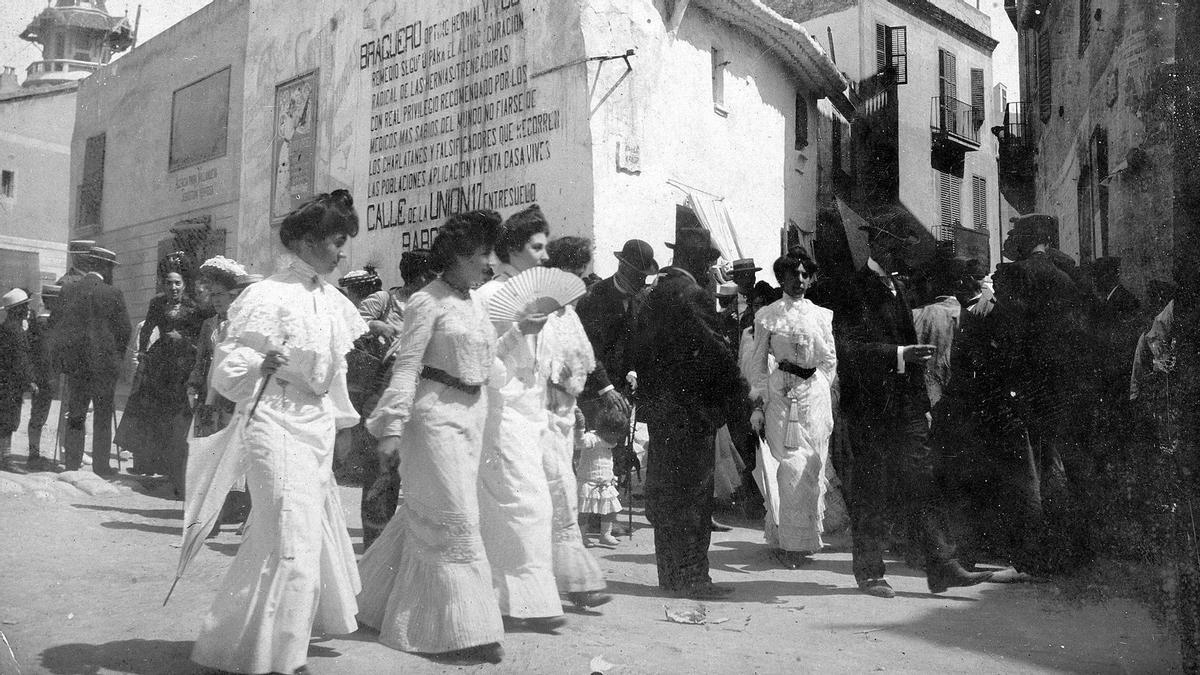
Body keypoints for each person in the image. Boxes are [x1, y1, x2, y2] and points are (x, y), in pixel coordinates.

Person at [190, 190, 367, 675]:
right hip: (272, 419)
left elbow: (336, 372)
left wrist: (344, 422)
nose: (342, 252)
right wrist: (262, 362)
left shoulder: (332, 301)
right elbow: (227, 370)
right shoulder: (265, 295)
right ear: (308, 242)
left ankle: (233, 647)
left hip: (315, 426)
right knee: (289, 534)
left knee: (288, 537)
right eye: (336, 241)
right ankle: (281, 660)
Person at [357, 210, 522, 664]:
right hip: (432, 419)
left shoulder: (474, 303)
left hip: (472, 417)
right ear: (459, 256)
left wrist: (520, 332)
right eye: (482, 255)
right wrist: (390, 427)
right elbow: (407, 366)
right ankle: (465, 631)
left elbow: (485, 364)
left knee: (426, 516)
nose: (489, 265)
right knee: (458, 519)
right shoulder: (424, 302)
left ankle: (369, 601)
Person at [834, 212, 992, 598]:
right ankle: (870, 573)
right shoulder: (854, 289)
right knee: (871, 488)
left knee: (924, 481)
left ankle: (942, 566)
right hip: (871, 411)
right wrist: (900, 354)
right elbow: (848, 350)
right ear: (878, 245)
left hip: (905, 410)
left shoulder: (898, 288)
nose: (904, 253)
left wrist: (921, 403)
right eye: (898, 246)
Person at [630, 227, 746, 599]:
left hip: (662, 411)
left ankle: (671, 576)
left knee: (667, 496)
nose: (713, 268)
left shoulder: (651, 293)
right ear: (699, 260)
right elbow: (716, 351)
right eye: (710, 261)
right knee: (694, 497)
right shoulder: (691, 294)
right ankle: (694, 578)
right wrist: (740, 392)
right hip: (692, 411)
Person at [473, 204, 565, 630]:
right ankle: (522, 602)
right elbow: (481, 364)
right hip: (501, 410)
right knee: (523, 503)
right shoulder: (492, 296)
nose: (546, 257)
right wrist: (518, 334)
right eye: (537, 247)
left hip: (532, 411)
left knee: (526, 503)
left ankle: (510, 597)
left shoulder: (533, 296)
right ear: (512, 249)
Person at [745, 252, 837, 569]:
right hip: (780, 397)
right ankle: (789, 544)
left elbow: (829, 360)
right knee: (788, 467)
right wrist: (759, 401)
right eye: (792, 274)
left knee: (812, 467)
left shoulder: (822, 316)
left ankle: (804, 539)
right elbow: (757, 364)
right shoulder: (768, 315)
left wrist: (818, 386)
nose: (798, 280)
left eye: (803, 274)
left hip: (812, 398)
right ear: (781, 278)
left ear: (810, 279)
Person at [541, 235, 610, 608]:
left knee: (562, 492)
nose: (580, 286)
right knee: (556, 493)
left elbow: (587, 359)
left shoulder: (570, 315)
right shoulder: (541, 312)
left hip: (564, 417)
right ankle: (574, 582)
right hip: (537, 416)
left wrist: (594, 391)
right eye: (573, 276)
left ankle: (568, 579)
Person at [356, 249, 436, 549]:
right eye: (428, 277)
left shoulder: (431, 304)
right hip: (382, 392)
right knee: (382, 472)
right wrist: (379, 325)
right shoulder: (384, 300)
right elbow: (350, 323)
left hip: (420, 392)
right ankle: (375, 546)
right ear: (417, 276)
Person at [119, 253, 210, 486]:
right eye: (169, 283)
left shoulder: (193, 307)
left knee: (176, 416)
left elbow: (201, 335)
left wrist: (184, 338)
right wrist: (141, 350)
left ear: (184, 285)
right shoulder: (157, 303)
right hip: (160, 363)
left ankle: (174, 466)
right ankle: (149, 463)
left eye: (177, 283)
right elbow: (148, 327)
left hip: (182, 364)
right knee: (153, 411)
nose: (173, 287)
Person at [186, 256, 255, 535]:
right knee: (211, 456)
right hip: (211, 398)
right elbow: (202, 359)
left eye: (220, 295)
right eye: (212, 295)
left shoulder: (245, 325)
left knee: (241, 456)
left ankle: (250, 516)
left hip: (237, 396)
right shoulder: (209, 325)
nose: (215, 300)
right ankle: (210, 519)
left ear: (233, 296)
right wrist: (192, 385)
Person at [48, 246, 131, 475]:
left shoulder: (68, 291)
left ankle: (72, 464)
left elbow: (56, 327)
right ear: (104, 267)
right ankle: (101, 466)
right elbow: (125, 330)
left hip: (77, 366)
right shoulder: (113, 294)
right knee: (103, 415)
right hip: (105, 367)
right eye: (111, 267)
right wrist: (116, 358)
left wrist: (64, 358)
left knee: (76, 414)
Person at [576, 239, 659, 420]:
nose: (641, 282)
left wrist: (633, 371)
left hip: (622, 397)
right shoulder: (592, 298)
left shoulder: (641, 300)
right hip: (594, 394)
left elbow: (639, 344)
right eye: (637, 275)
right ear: (622, 266)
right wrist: (605, 388)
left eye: (644, 277)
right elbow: (585, 349)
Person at [576, 404, 627, 547]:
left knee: (610, 510)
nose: (615, 437)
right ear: (604, 429)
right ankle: (581, 535)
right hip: (589, 482)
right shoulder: (592, 438)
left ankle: (605, 534)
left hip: (605, 483)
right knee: (584, 511)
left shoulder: (609, 442)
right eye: (613, 433)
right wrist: (580, 427)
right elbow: (579, 442)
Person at [0, 289, 37, 473]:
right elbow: (20, 359)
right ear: (18, 309)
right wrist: (30, 380)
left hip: (5, 381)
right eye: (25, 305)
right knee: (8, 420)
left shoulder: (6, 327)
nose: (28, 308)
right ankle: (6, 459)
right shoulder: (15, 330)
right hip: (9, 384)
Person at [25, 285, 59, 472]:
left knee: (38, 415)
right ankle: (33, 454)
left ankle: (34, 452)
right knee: (39, 415)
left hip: (40, 376)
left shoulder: (38, 323)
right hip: (45, 377)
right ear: (52, 301)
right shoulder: (46, 324)